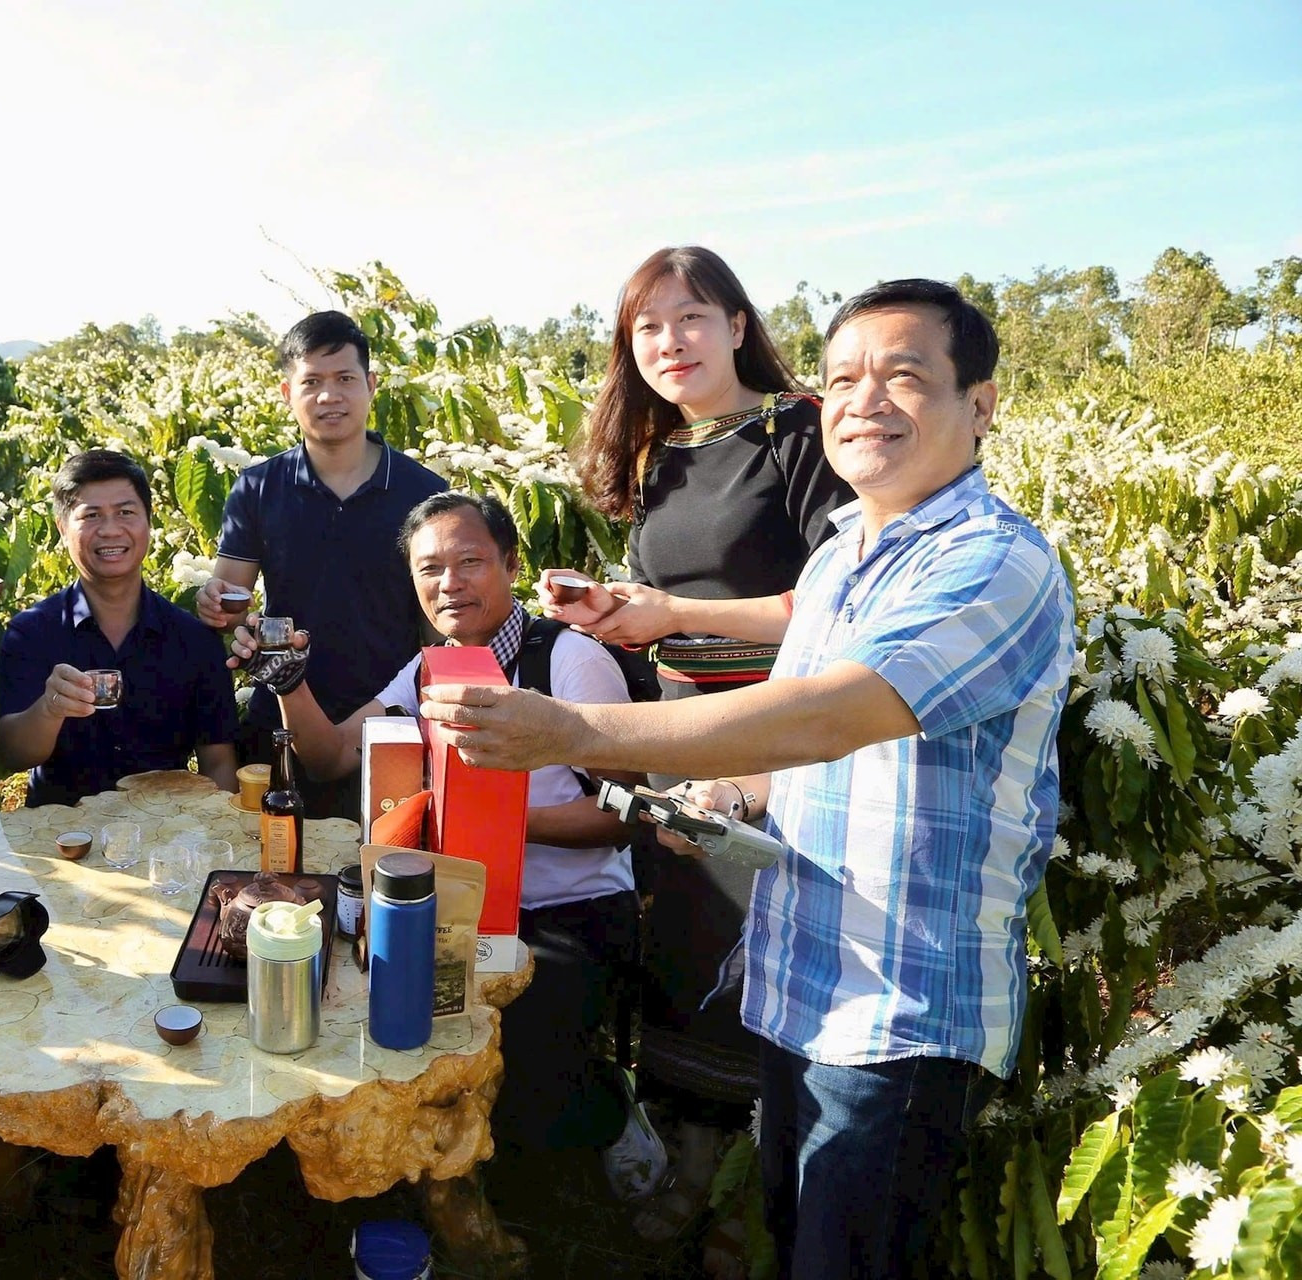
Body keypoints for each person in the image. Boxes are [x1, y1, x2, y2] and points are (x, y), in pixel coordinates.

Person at [420, 281, 1074, 1278]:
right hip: (802, 979)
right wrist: (730, 795)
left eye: (903, 376)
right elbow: (802, 740)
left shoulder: (994, 562)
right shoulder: (842, 557)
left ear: (978, 405)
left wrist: (568, 728)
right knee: (801, 1232)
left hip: (900, 1000)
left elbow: (830, 713)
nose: (863, 401)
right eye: (843, 379)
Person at [231, 492, 664, 1197]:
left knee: (530, 1094)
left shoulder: (567, 660)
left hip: (565, 910)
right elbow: (334, 755)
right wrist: (290, 686)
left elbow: (624, 815)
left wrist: (489, 818)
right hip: (458, 903)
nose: (449, 583)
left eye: (470, 562)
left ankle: (609, 1107)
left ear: (511, 565)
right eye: (429, 568)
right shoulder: (430, 669)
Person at [550, 247, 856, 1127]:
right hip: (681, 727)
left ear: (737, 326)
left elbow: (838, 604)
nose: (670, 341)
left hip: (777, 729)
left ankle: (777, 1150)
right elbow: (660, 604)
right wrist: (610, 609)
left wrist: (676, 611)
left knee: (767, 941)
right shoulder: (659, 455)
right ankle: (687, 1150)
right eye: (648, 327)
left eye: (691, 318)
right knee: (686, 943)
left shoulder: (799, 431)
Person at [195, 310, 447, 824]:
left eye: (345, 379)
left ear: (371, 386)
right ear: (287, 393)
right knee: (274, 861)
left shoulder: (422, 492)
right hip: (280, 720)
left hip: (388, 724)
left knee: (381, 862)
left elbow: (436, 630)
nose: (329, 396)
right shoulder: (258, 488)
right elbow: (231, 602)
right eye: (312, 382)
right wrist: (216, 605)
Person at [0, 449, 238, 806]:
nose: (110, 530)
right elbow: (12, 755)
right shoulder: (31, 632)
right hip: (62, 831)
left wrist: (215, 825)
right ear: (63, 528)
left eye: (125, 512)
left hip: (164, 827)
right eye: (91, 515)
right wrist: (49, 709)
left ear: (148, 522)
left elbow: (218, 762)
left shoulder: (195, 640)